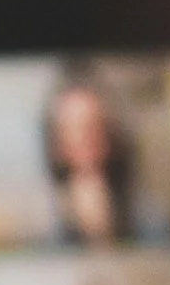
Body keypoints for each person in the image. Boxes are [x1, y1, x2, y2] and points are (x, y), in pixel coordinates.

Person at [42, 77, 135, 244]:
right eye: (73, 129)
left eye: (91, 126)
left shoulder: (150, 217)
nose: (84, 138)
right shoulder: (44, 226)